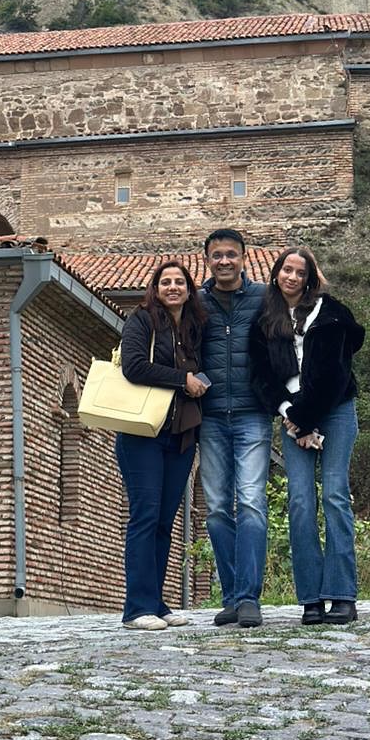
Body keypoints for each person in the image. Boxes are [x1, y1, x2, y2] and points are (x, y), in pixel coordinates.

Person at [250, 247, 366, 625]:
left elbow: (335, 373)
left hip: (335, 409)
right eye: (287, 270)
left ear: (310, 278)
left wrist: (305, 419)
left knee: (334, 495)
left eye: (301, 272)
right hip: (291, 415)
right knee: (301, 502)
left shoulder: (331, 314)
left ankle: (342, 595)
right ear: (276, 274)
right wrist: (290, 415)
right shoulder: (266, 320)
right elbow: (261, 376)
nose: (293, 277)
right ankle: (311, 598)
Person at [117, 260, 209, 631]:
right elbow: (134, 367)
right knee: (145, 516)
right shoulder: (142, 321)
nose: (173, 287)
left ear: (189, 289)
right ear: (155, 288)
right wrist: (182, 380)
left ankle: (155, 601)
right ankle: (136, 608)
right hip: (143, 434)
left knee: (165, 521)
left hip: (180, 435)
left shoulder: (194, 327)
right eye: (165, 282)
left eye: (180, 282)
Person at [198, 228, 269, 628]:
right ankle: (232, 597)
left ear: (244, 258)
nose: (224, 261)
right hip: (209, 416)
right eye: (217, 255)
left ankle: (249, 597)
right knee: (218, 509)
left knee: (252, 503)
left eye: (231, 255)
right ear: (207, 259)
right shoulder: (197, 302)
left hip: (252, 413)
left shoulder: (263, 298)